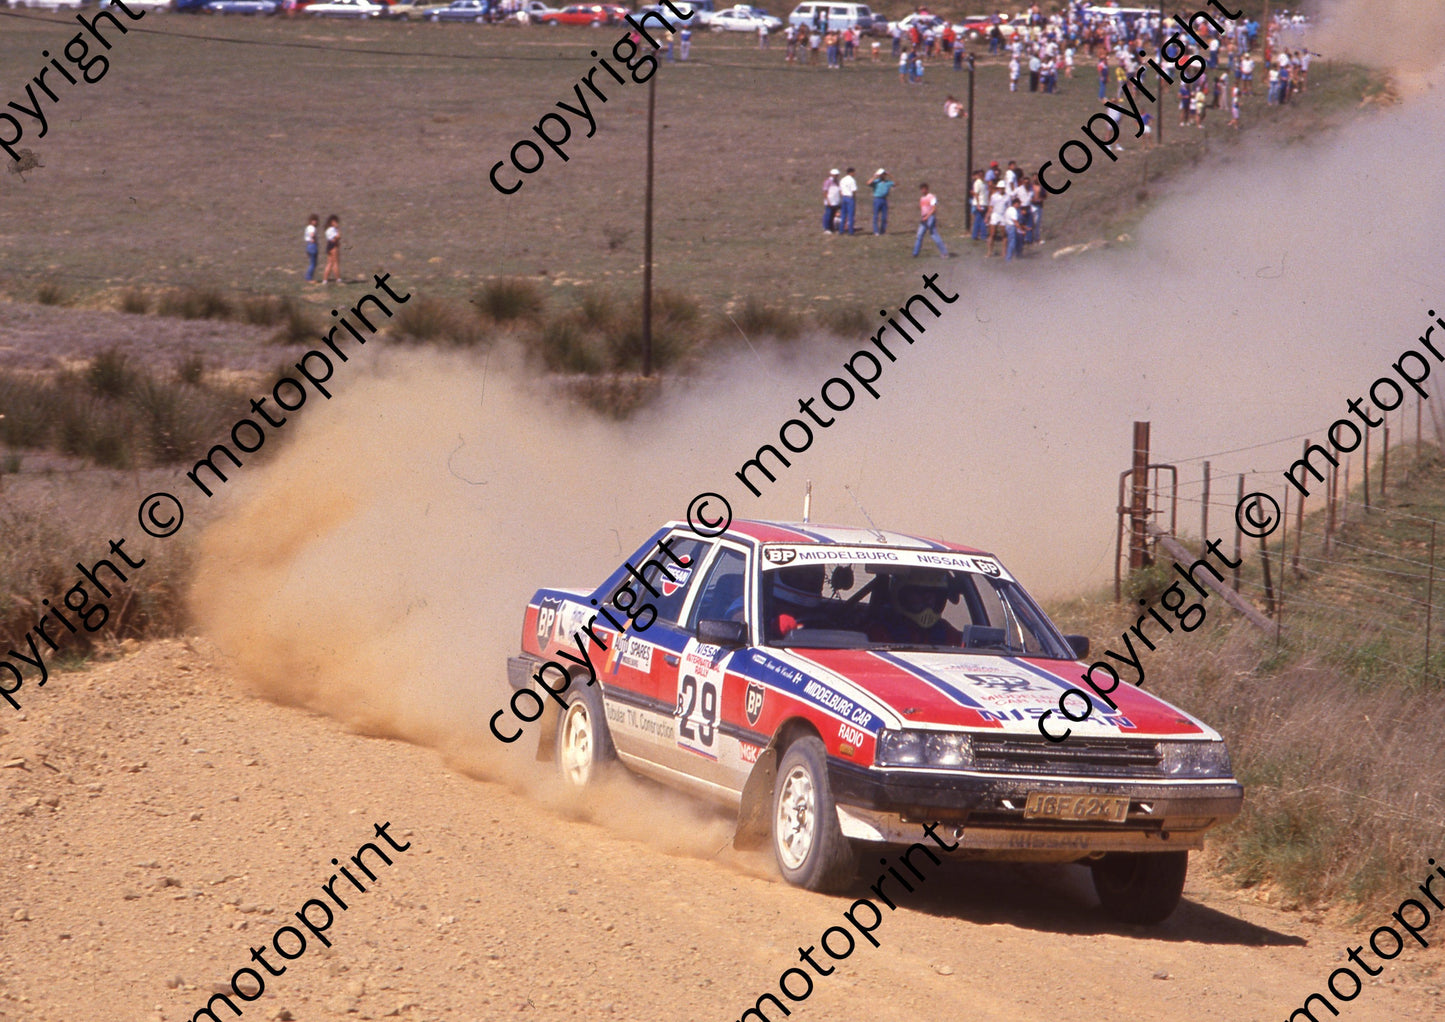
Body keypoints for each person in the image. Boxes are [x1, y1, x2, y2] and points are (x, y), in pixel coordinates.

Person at [864, 571, 962, 646]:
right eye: (919, 593)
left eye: (933, 594)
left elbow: (967, 645)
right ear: (901, 595)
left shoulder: (944, 631)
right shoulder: (880, 631)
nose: (927, 600)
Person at [912, 182, 948, 258]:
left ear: (927, 189)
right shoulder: (922, 198)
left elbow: (934, 209)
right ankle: (915, 253)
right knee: (919, 235)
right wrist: (923, 217)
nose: (923, 191)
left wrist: (927, 216)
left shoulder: (931, 197)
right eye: (921, 189)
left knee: (934, 234)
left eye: (924, 189)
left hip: (930, 217)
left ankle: (944, 252)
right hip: (924, 218)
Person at [868, 168, 894, 235]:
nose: (883, 176)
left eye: (884, 174)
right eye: (882, 174)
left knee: (884, 216)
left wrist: (890, 175)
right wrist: (874, 177)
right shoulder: (876, 182)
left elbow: (897, 183)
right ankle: (876, 231)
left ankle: (882, 231)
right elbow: (868, 183)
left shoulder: (888, 182)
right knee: (876, 216)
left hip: (884, 199)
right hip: (877, 199)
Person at [321, 214, 341, 284]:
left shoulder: (327, 230)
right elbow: (337, 237)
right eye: (335, 222)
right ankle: (338, 279)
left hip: (328, 246)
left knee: (329, 263)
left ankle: (325, 280)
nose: (336, 223)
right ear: (332, 222)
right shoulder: (332, 229)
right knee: (335, 263)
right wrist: (338, 229)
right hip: (333, 246)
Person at [838, 167, 858, 234]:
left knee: (843, 215)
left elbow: (840, 190)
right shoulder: (852, 180)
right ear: (851, 172)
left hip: (844, 197)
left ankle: (841, 230)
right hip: (850, 198)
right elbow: (854, 190)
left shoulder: (842, 180)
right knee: (851, 215)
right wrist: (854, 198)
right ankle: (851, 231)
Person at [970, 169, 988, 240]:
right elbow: (976, 194)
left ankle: (982, 235)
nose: (981, 176)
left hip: (984, 203)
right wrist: (978, 204)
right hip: (979, 204)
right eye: (980, 175)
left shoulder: (984, 183)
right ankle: (977, 235)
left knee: (982, 220)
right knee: (978, 220)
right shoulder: (977, 183)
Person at [822, 169, 841, 233]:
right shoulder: (828, 182)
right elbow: (825, 191)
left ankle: (831, 228)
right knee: (828, 215)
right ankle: (826, 228)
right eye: (834, 175)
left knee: (832, 215)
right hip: (830, 201)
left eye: (837, 175)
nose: (836, 176)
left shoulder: (837, 182)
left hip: (835, 201)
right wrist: (828, 201)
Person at [303, 213, 319, 283]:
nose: (315, 222)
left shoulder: (308, 227)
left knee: (313, 263)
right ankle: (309, 278)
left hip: (309, 245)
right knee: (313, 263)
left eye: (316, 220)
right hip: (312, 245)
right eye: (314, 220)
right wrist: (314, 239)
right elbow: (312, 234)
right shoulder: (311, 228)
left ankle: (309, 277)